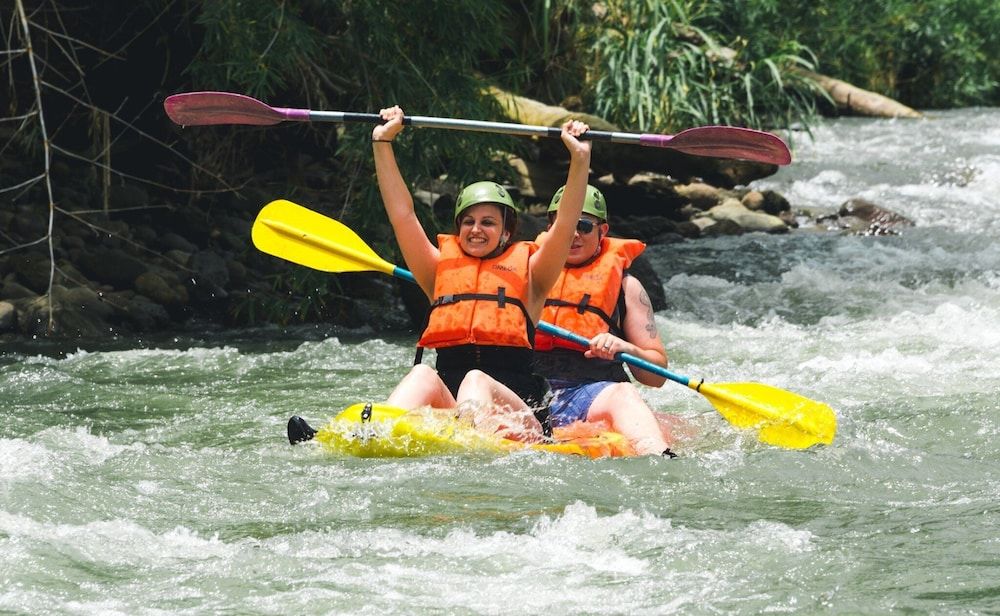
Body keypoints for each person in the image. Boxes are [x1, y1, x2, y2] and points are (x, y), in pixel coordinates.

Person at [371, 105, 592, 442]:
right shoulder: (437, 271)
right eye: (468, 222)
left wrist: (579, 160)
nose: (476, 229)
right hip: (458, 414)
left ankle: (465, 440)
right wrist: (382, 143)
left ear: (506, 233)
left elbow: (564, 224)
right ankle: (370, 436)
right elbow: (402, 215)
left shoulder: (534, 277)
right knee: (422, 375)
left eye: (488, 222)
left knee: (475, 378)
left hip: (519, 417)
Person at [533, 184, 676, 456]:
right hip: (530, 391)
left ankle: (662, 461)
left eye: (584, 226)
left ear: (603, 231)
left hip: (592, 394)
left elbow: (657, 377)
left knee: (623, 394)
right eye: (563, 226)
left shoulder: (627, 288)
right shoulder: (526, 276)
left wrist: (625, 348)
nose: (572, 235)